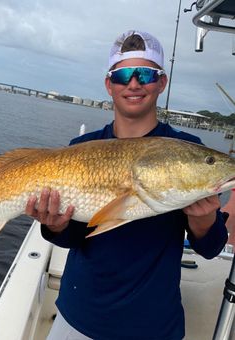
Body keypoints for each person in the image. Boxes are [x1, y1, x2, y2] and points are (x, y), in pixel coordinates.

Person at [26, 30, 228, 340]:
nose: (134, 84)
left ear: (162, 83)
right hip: (79, 316)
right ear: (109, 84)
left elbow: (212, 247)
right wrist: (54, 226)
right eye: (122, 76)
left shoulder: (187, 148)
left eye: (146, 74)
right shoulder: (82, 147)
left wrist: (203, 222)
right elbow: (73, 238)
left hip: (154, 326)